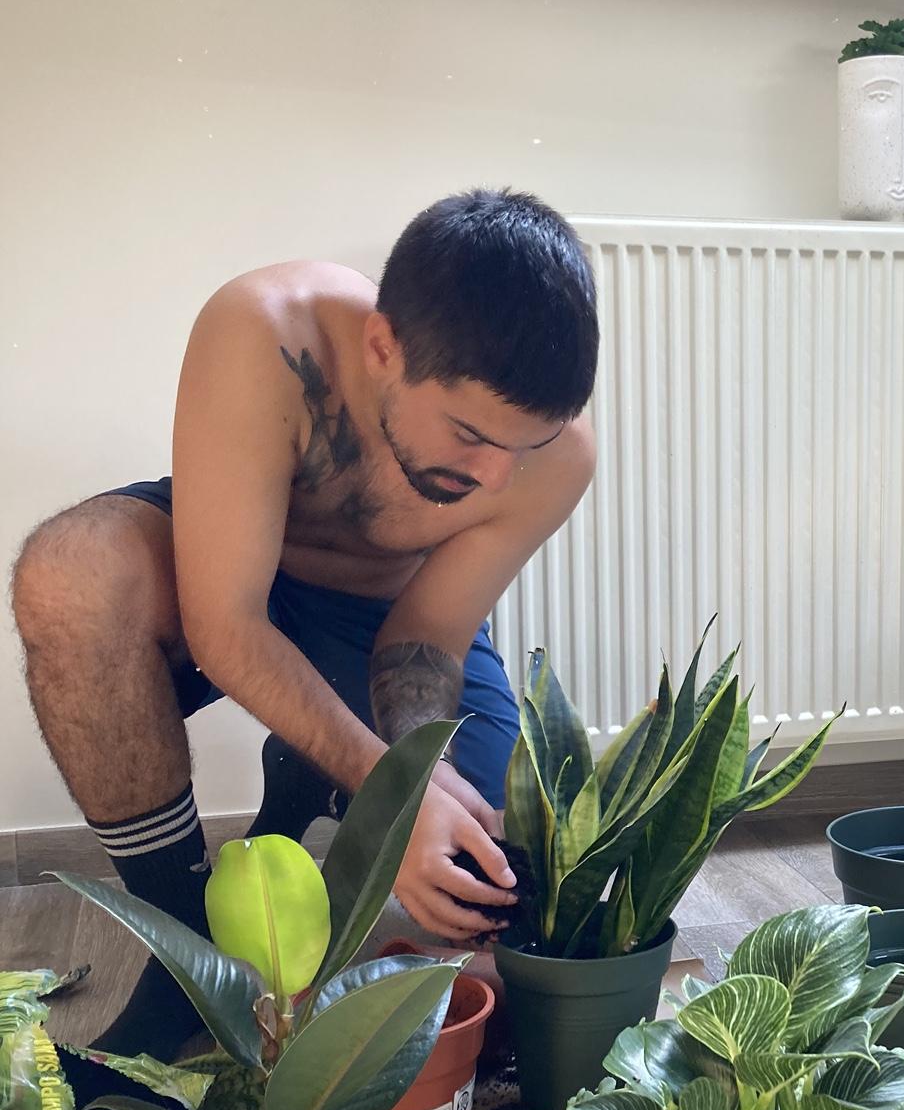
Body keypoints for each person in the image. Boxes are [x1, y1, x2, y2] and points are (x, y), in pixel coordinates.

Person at [10, 189, 599, 1058]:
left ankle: (312, 768)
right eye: (472, 434)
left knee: (494, 872)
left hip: (380, 620)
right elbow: (227, 623)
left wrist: (411, 789)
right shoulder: (266, 330)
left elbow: (423, 638)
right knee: (71, 575)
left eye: (527, 445)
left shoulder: (556, 462)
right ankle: (186, 960)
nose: (495, 476)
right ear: (381, 347)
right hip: (232, 561)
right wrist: (389, 795)